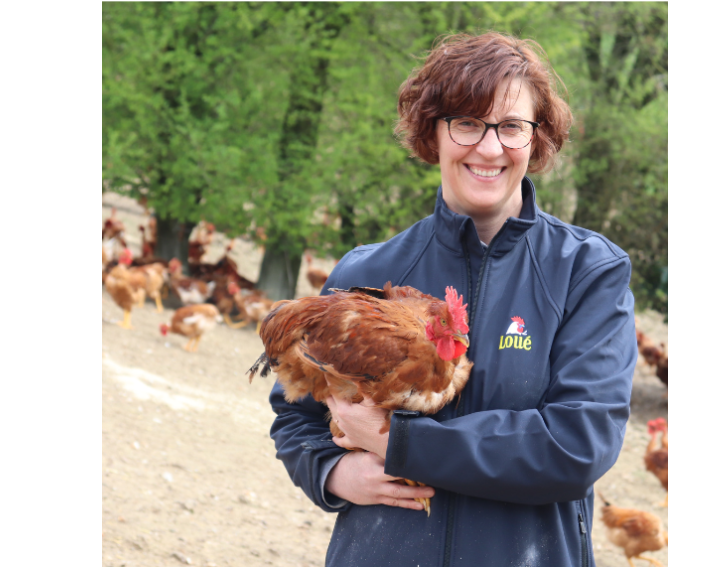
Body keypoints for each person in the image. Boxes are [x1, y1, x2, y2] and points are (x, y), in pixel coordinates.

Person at [269, 32, 637, 567]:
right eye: (466, 122)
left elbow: (577, 444)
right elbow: (295, 412)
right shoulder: (367, 271)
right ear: (433, 132)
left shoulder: (588, 272)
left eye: (511, 126)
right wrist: (333, 471)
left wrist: (399, 443)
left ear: (537, 139)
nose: (489, 148)